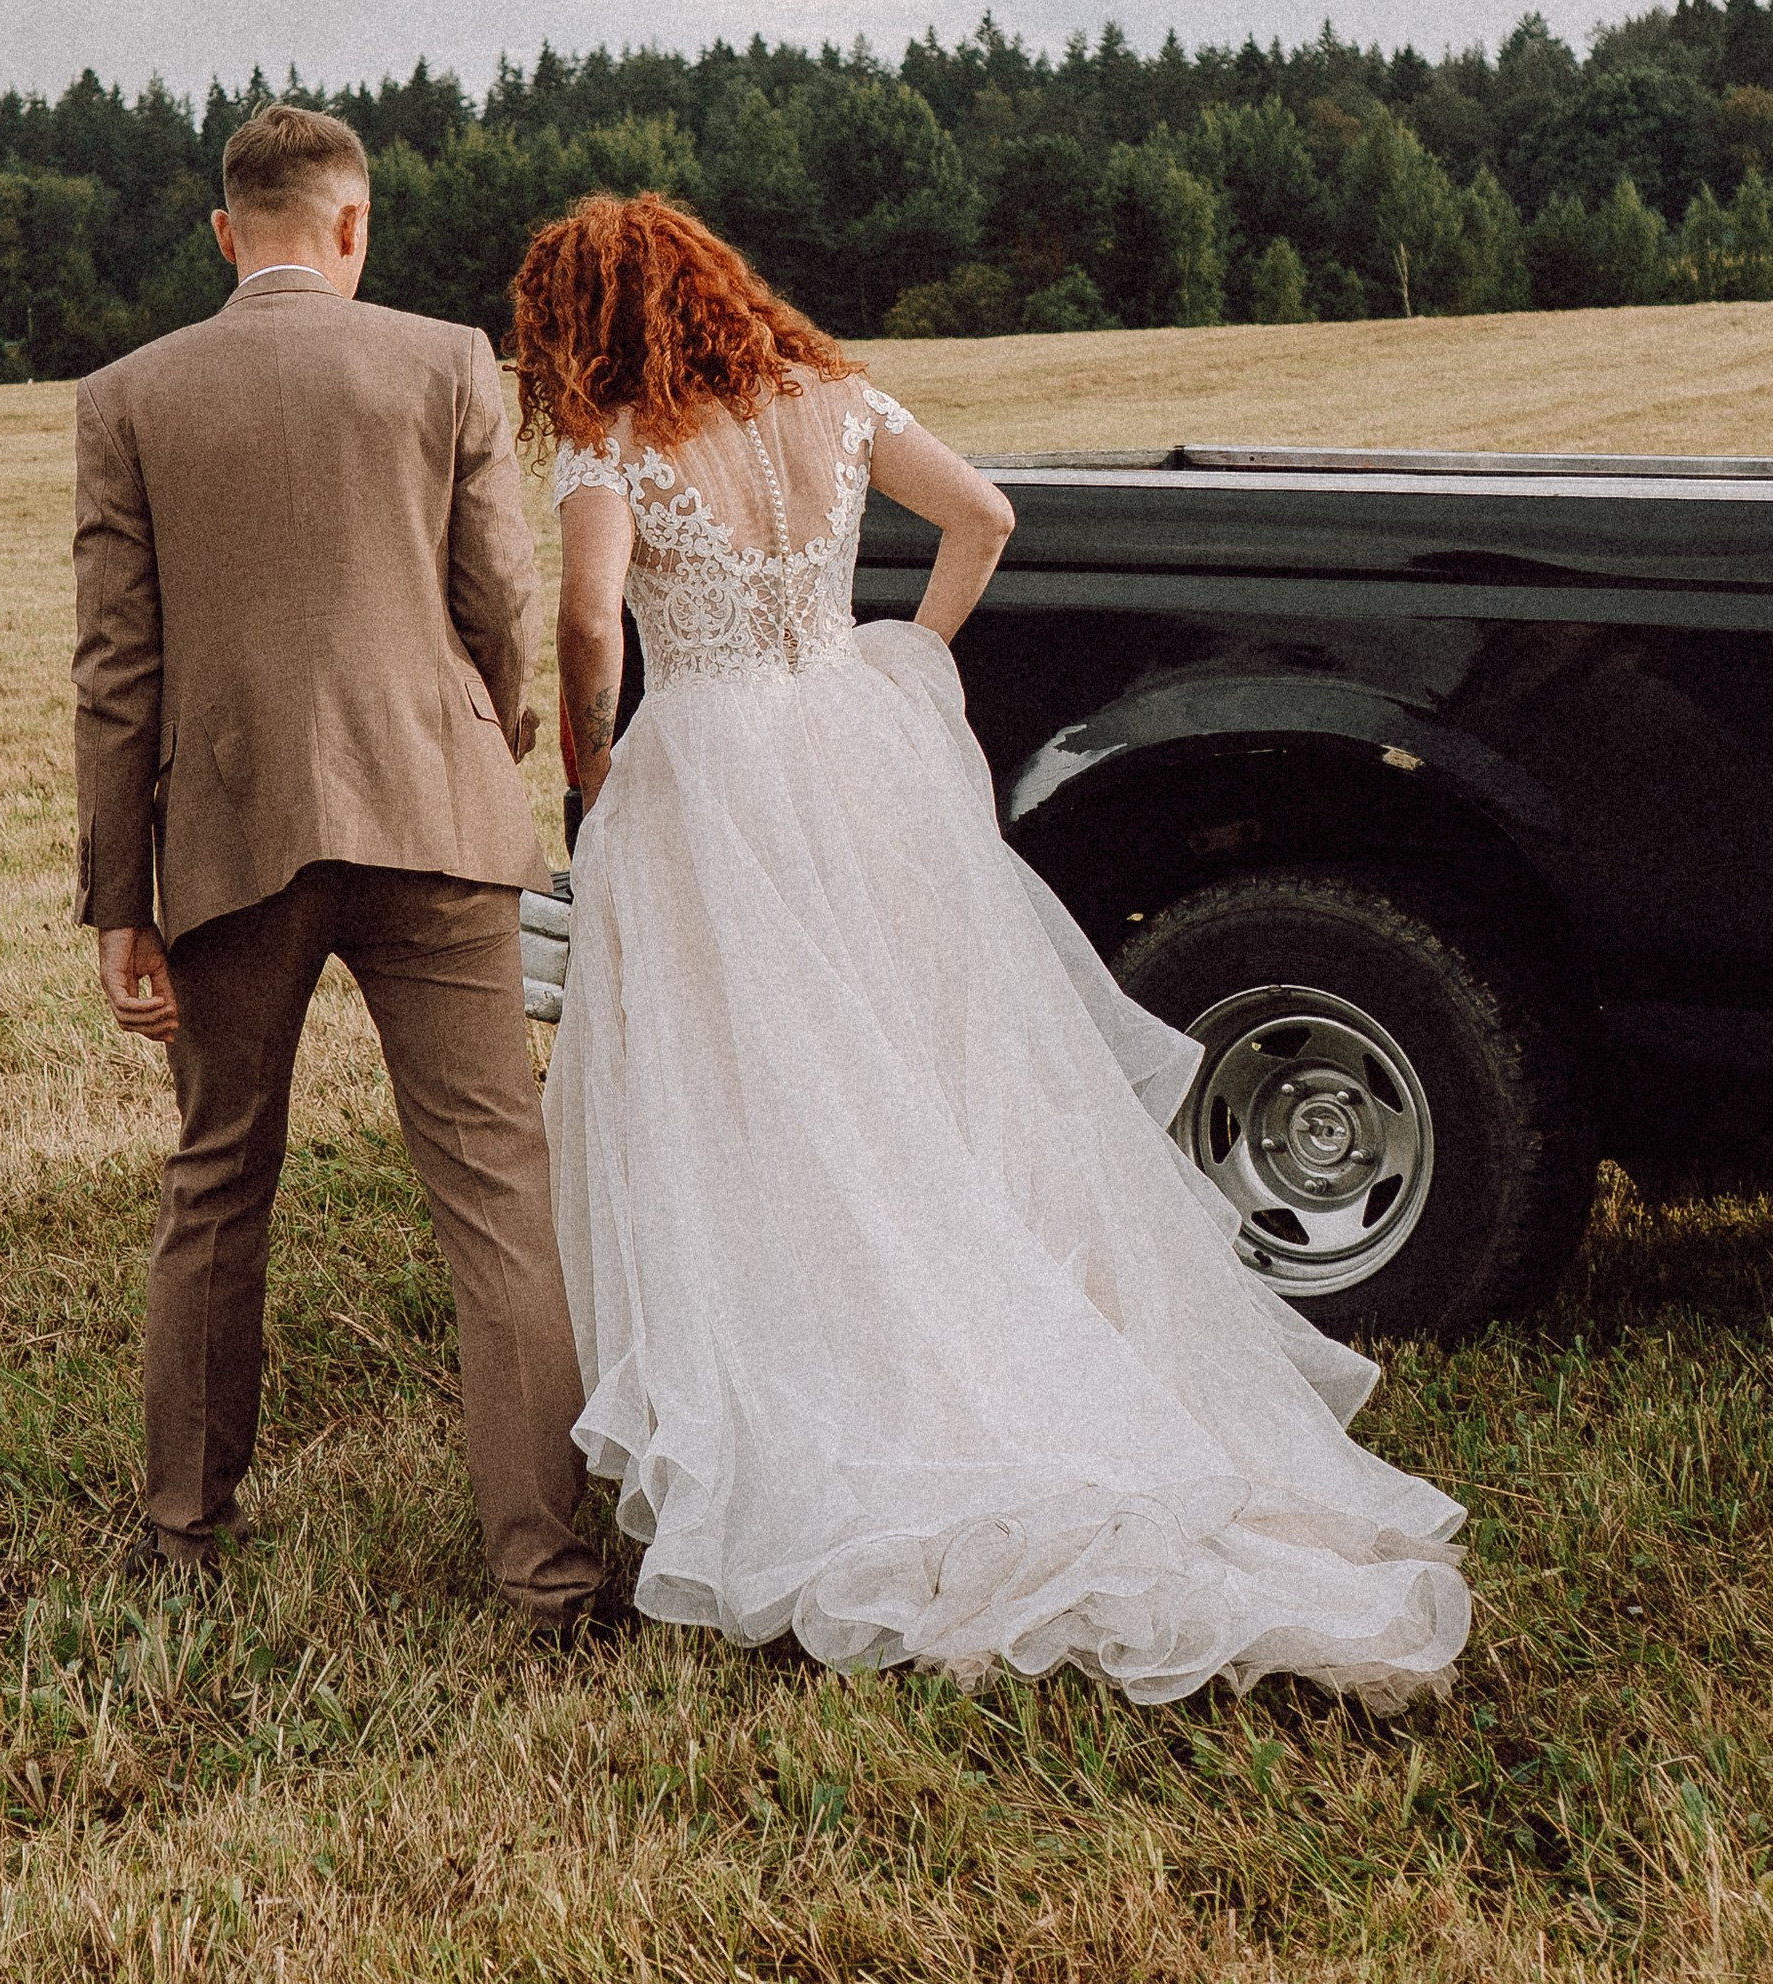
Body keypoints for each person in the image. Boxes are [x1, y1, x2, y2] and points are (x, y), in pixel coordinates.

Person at [512, 192, 1468, 1708]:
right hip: (850, 746)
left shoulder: (612, 439)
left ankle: (820, 1386)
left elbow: (583, 621)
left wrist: (593, 764)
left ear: (580, 325)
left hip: (708, 770)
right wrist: (911, 656)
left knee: (753, 1091)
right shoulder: (829, 397)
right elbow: (986, 516)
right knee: (914, 1058)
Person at [72, 101, 614, 1642]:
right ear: (354, 228)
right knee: (497, 1192)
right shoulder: (445, 361)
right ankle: (548, 1579)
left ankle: (182, 1534)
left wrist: (121, 899)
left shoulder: (127, 395)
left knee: (217, 1179)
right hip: (437, 818)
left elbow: (117, 669)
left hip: (232, 838)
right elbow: (500, 596)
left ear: (227, 234)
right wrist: (489, 730)